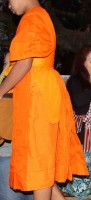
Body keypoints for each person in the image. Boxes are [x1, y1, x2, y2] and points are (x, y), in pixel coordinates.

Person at [0, 1, 88, 199]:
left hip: (37, 96)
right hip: (42, 92)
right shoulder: (40, 16)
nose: (8, 6)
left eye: (8, 1)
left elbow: (24, 63)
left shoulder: (32, 17)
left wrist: (0, 91)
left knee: (39, 165)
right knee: (42, 162)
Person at [59, 46, 91, 198]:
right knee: (81, 190)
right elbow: (79, 102)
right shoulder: (74, 82)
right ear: (82, 62)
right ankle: (65, 186)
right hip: (83, 135)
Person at [0, 52, 33, 200]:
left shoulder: (32, 87)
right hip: (7, 154)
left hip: (30, 155)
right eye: (7, 64)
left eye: (15, 65)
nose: (11, 70)